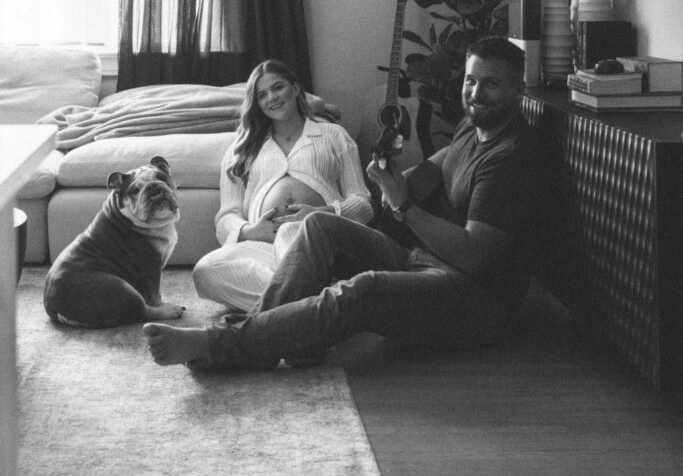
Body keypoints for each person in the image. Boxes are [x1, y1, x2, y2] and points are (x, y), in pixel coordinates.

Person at [144, 35, 547, 371]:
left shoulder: (511, 159)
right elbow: (433, 169)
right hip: (421, 259)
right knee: (318, 228)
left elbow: (474, 256)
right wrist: (392, 179)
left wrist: (403, 206)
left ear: (518, 89)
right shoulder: (472, 127)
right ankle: (266, 343)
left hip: (470, 300)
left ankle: (227, 344)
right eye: (471, 81)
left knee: (363, 291)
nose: (476, 93)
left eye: (491, 84)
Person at [192, 59, 373, 310]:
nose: (272, 98)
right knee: (205, 271)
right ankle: (319, 303)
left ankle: (285, 313)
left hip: (319, 243)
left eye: (278, 88)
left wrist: (323, 214)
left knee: (291, 231)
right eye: (262, 95)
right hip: (264, 246)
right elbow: (226, 217)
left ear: (296, 89)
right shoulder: (241, 148)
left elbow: (363, 204)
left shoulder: (334, 135)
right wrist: (249, 231)